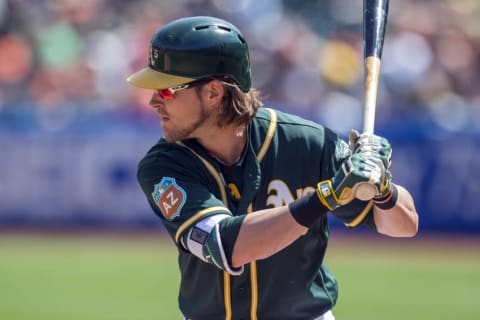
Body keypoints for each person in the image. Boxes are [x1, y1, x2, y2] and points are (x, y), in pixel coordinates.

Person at [126, 16, 418, 320]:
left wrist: (383, 189)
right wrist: (325, 198)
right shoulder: (163, 165)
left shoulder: (306, 142)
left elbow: (403, 226)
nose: (153, 101)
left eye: (167, 90)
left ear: (213, 93)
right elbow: (227, 246)